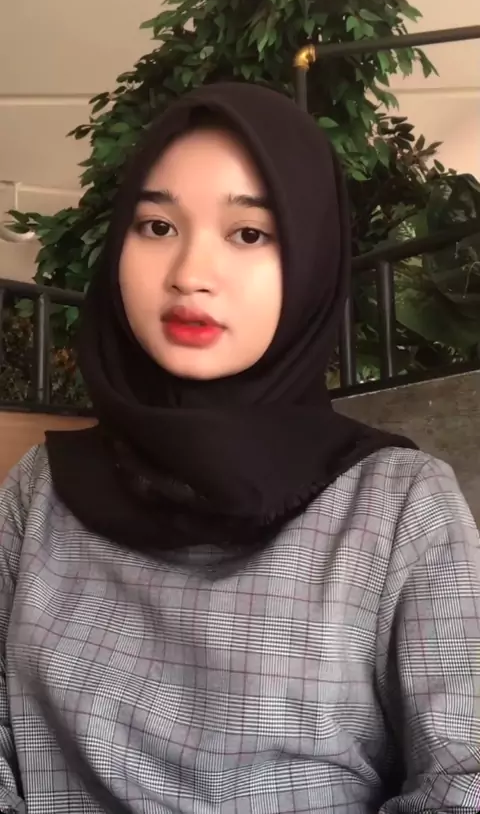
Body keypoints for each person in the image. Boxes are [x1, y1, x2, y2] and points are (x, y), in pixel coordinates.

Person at [0, 82, 479, 814]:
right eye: (157, 226)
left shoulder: (398, 507)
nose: (190, 273)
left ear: (312, 261)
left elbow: (465, 781)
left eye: (249, 234)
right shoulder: (40, 492)